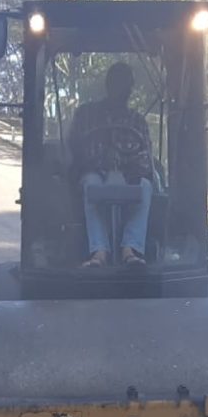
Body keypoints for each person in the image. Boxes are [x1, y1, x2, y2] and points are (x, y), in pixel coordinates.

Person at [69, 62, 154, 267]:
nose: (122, 89)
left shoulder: (138, 121)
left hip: (129, 175)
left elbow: (145, 158)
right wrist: (99, 162)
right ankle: (99, 252)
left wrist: (126, 168)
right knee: (91, 183)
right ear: (108, 84)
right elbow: (75, 148)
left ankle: (130, 249)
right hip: (94, 171)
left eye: (126, 84)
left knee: (145, 186)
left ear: (130, 88)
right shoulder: (86, 115)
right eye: (117, 83)